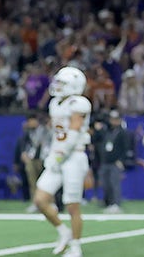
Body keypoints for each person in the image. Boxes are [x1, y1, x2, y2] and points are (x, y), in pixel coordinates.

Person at [33, 66, 92, 257]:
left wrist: (60, 154)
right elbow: (57, 133)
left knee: (72, 204)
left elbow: (74, 131)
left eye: (62, 83)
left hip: (74, 155)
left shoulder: (79, 103)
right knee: (40, 199)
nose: (58, 86)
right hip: (58, 153)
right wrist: (53, 154)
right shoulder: (55, 103)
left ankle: (76, 247)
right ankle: (63, 231)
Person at [95, 110, 135, 212]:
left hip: (115, 162)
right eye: (112, 119)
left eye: (116, 119)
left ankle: (116, 204)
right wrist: (97, 130)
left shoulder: (122, 132)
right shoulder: (105, 131)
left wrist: (121, 160)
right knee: (105, 184)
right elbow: (95, 140)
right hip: (105, 162)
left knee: (115, 184)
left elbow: (126, 148)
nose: (114, 121)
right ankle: (108, 203)